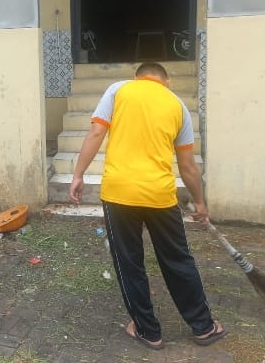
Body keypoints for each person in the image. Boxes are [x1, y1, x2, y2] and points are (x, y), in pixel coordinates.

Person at [69, 62, 226, 349]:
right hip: (160, 195)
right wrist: (200, 202)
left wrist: (78, 174)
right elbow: (188, 166)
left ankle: (148, 331)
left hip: (119, 193)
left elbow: (95, 133)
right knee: (178, 259)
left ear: (137, 77)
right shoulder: (177, 105)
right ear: (167, 81)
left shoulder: (118, 90)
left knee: (129, 262)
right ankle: (203, 327)